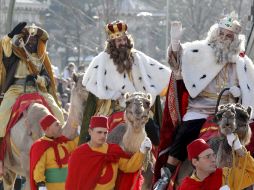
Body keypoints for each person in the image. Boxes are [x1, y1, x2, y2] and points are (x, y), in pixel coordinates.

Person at [154, 13, 254, 184]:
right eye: (221, 34)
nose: (224, 38)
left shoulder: (242, 63)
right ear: (215, 34)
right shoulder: (198, 51)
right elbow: (178, 64)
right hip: (199, 110)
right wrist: (175, 43)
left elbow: (249, 91)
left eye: (228, 36)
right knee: (184, 134)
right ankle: (166, 176)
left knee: (249, 138)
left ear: (235, 39)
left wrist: (239, 94)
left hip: (228, 112)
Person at [80, 20, 171, 144]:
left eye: (124, 40)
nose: (122, 43)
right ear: (112, 43)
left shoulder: (137, 57)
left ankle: (160, 159)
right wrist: (111, 94)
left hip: (139, 106)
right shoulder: (102, 59)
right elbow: (88, 82)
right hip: (114, 106)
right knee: (98, 134)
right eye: (118, 41)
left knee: (155, 134)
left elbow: (161, 72)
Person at [0, 22, 64, 176]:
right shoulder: (15, 54)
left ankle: (63, 146)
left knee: (58, 112)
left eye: (35, 40)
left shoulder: (41, 58)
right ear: (24, 39)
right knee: (2, 114)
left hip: (37, 90)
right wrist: (9, 36)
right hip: (16, 90)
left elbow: (48, 79)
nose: (32, 42)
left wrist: (39, 79)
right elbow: (4, 49)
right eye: (29, 39)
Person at [65, 115, 152, 190]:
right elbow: (73, 182)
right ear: (90, 131)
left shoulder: (112, 150)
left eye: (105, 133)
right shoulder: (79, 154)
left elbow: (128, 167)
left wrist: (142, 151)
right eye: (99, 132)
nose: (103, 136)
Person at [178, 137, 254, 189]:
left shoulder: (225, 175)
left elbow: (252, 174)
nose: (214, 160)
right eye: (208, 156)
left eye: (213, 155)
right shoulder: (186, 187)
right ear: (195, 162)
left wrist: (239, 149)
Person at [30, 113, 79, 190]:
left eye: (60, 124)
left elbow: (75, 145)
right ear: (47, 128)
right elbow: (39, 168)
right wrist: (41, 185)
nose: (60, 126)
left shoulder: (62, 142)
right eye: (57, 125)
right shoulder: (40, 146)